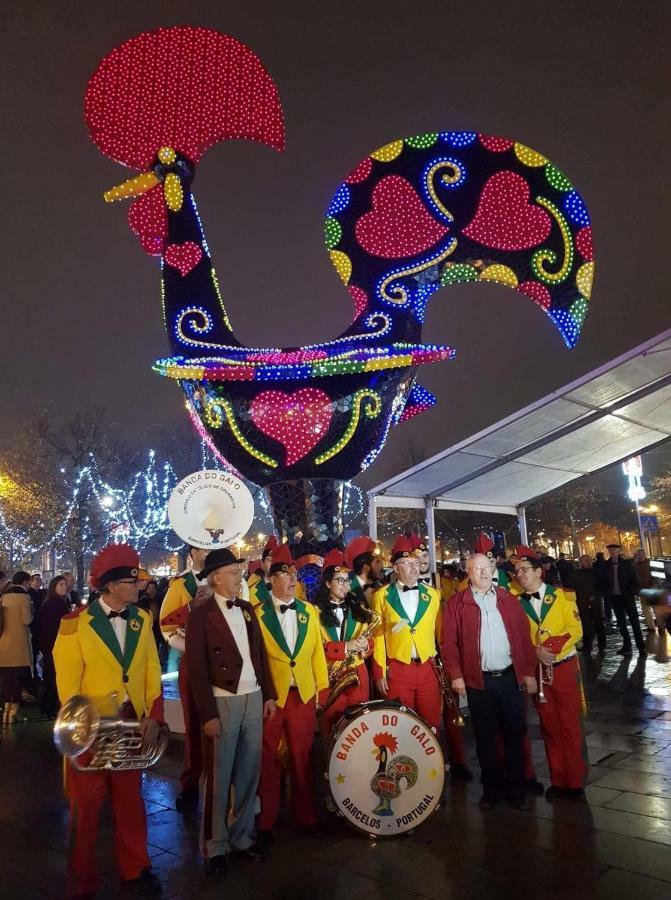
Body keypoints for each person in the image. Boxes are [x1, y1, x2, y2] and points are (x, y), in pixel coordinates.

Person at [53, 543, 164, 896]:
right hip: (91, 727)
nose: (138, 587)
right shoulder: (74, 624)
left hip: (130, 724)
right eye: (131, 582)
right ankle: (82, 878)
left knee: (130, 801)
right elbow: (68, 686)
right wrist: (79, 731)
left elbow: (151, 669)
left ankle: (136, 867)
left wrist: (152, 715)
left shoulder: (142, 619)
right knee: (86, 809)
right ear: (112, 585)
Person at [186, 547, 277, 877]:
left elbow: (259, 655)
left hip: (252, 697)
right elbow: (196, 668)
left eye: (240, 573)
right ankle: (214, 845)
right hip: (222, 700)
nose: (241, 578)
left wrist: (268, 694)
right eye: (235, 574)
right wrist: (207, 714)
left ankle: (242, 837)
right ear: (216, 578)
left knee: (248, 770)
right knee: (218, 775)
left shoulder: (247, 609)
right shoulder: (200, 616)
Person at [441, 553, 537, 810]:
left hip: (509, 679)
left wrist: (528, 672)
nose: (484, 573)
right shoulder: (456, 604)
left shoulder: (508, 600)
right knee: (485, 739)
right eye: (477, 569)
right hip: (478, 683)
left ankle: (516, 790)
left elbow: (524, 638)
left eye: (487, 567)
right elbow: (448, 643)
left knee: (515, 735)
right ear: (467, 572)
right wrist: (456, 675)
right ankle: (491, 791)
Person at [255, 544, 328, 845]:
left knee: (302, 757)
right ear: (271, 579)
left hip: (303, 694)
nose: (291, 579)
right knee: (268, 759)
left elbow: (315, 655)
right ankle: (267, 821)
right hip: (272, 697)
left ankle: (306, 816)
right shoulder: (256, 614)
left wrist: (320, 690)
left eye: (294, 573)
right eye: (285, 574)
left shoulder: (309, 611)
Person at [514, 547, 588, 799]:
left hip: (562, 667)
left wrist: (551, 649)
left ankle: (575, 781)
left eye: (524, 570)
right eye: (516, 571)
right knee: (549, 727)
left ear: (538, 571)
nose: (519, 575)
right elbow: (518, 638)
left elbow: (575, 629)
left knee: (569, 725)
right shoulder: (515, 603)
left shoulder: (562, 596)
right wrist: (535, 652)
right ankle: (558, 780)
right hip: (538, 672)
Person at [371, 536, 442, 735]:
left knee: (431, 725)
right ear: (395, 568)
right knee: (401, 727)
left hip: (428, 667)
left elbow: (440, 633)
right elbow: (378, 637)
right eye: (407, 564)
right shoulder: (382, 596)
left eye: (416, 563)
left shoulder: (433, 595)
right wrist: (380, 673)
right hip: (399, 669)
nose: (414, 568)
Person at [159, 546, 210, 809]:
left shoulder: (228, 577)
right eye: (204, 546)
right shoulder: (179, 585)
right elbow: (166, 625)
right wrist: (191, 606)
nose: (210, 550)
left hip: (224, 664)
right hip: (193, 660)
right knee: (192, 725)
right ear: (193, 552)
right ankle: (190, 783)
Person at [314, 549, 373, 739]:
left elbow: (370, 640)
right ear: (327, 583)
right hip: (330, 676)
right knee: (331, 730)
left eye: (347, 580)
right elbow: (315, 649)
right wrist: (347, 646)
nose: (345, 585)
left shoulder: (357, 607)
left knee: (360, 728)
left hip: (357, 675)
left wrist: (365, 646)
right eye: (340, 580)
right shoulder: (313, 612)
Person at [0, 571, 33, 725]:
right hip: (18, 644)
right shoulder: (24, 597)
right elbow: (27, 620)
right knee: (17, 679)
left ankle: (6, 712)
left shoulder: (3, 597)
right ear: (25, 582)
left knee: (7, 679)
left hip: (4, 643)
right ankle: (14, 712)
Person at [600, 544, 644, 655]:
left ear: (618, 551)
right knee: (621, 623)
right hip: (615, 598)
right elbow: (603, 582)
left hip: (627, 597)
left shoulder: (627, 564)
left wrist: (633, 592)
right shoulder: (606, 565)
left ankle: (641, 647)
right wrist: (607, 594)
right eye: (610, 550)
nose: (612, 552)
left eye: (614, 550)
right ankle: (627, 646)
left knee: (634, 622)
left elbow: (635, 579)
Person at [36, 575, 70, 717]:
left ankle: (49, 704)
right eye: (61, 584)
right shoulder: (54, 603)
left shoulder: (56, 601)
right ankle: (50, 704)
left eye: (65, 584)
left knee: (51, 673)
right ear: (54, 587)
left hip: (51, 642)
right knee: (52, 674)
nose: (64, 587)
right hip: (53, 642)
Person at [572, 555, 606, 655]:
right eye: (585, 561)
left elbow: (601, 586)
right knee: (585, 624)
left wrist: (595, 595)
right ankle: (587, 645)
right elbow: (574, 586)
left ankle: (602, 645)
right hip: (582, 602)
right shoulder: (577, 573)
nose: (588, 562)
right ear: (581, 563)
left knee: (598, 624)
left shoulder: (597, 572)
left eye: (589, 560)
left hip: (595, 602)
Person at [344, 535, 384, 606]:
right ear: (365, 567)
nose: (382, 566)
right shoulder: (346, 591)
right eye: (377, 562)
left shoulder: (384, 589)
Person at [634, 548, 655, 632]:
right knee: (646, 609)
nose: (640, 556)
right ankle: (651, 627)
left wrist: (653, 585)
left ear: (644, 554)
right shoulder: (636, 564)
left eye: (641, 554)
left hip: (651, 588)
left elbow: (655, 575)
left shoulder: (650, 563)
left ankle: (660, 626)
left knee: (655, 608)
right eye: (638, 554)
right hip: (642, 589)